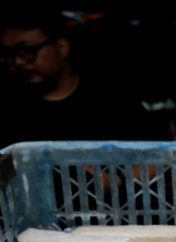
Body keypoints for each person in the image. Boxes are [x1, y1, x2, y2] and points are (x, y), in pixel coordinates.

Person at [0, 8, 166, 149]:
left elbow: (161, 155)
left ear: (62, 47)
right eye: (9, 55)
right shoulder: (11, 113)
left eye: (26, 51)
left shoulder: (111, 100)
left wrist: (117, 180)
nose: (17, 62)